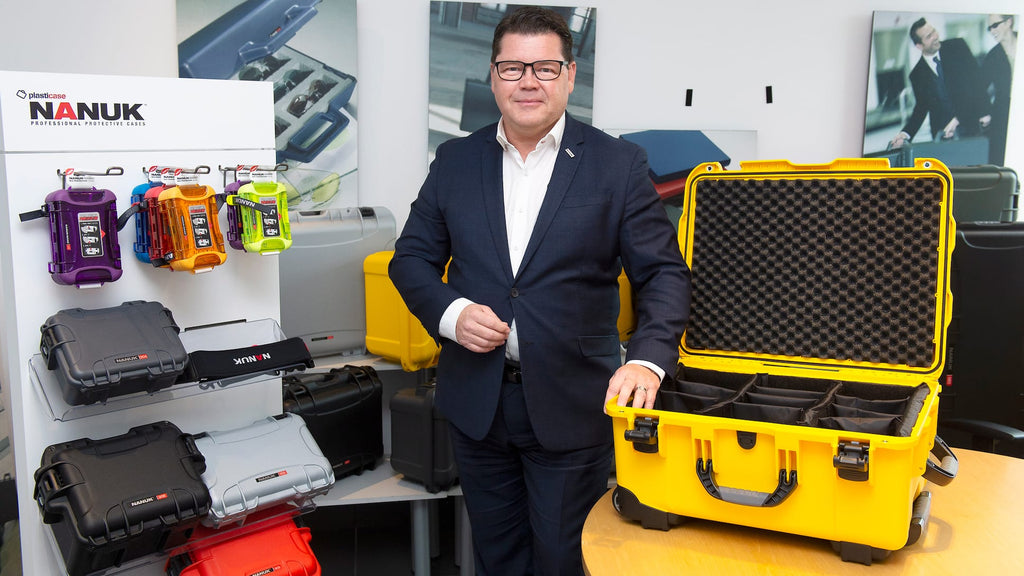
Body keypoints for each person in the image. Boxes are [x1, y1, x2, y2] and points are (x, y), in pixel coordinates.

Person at [389, 6, 691, 575]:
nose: (528, 81)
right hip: (477, 403)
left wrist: (649, 362)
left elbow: (663, 274)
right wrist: (451, 314)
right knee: (497, 556)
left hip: (573, 404)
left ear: (570, 76)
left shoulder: (618, 164)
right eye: (513, 68)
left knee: (563, 559)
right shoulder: (455, 160)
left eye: (546, 67)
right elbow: (411, 260)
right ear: (493, 75)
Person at [890, 17, 991, 149]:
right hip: (943, 136)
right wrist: (905, 134)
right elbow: (921, 108)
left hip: (972, 125)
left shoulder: (958, 47)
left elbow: (977, 82)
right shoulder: (917, 75)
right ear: (919, 46)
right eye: (929, 36)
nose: (935, 37)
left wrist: (985, 111)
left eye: (934, 32)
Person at [982, 14, 1017, 166]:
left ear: (1008, 22)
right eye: (990, 28)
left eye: (995, 25)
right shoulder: (992, 57)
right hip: (1003, 118)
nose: (992, 31)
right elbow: (978, 88)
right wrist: (985, 111)